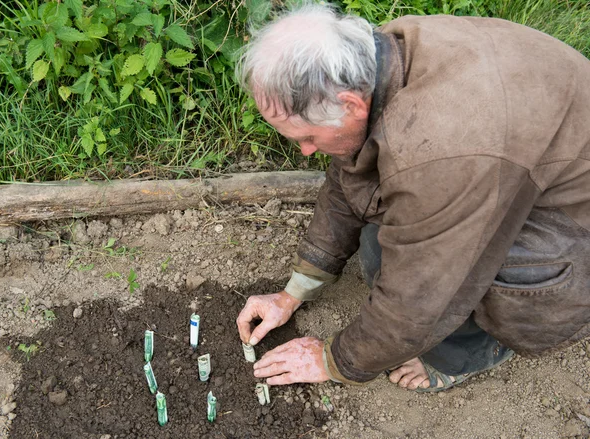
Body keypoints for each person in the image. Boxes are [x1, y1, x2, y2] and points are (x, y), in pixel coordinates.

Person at [235, 2, 590, 391]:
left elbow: (421, 292)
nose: (304, 150)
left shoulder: (443, 149)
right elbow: (349, 170)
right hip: (520, 158)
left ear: (350, 105)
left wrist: (334, 359)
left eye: (307, 138)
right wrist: (294, 292)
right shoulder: (379, 57)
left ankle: (466, 356)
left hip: (571, 220)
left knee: (407, 268)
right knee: (384, 247)